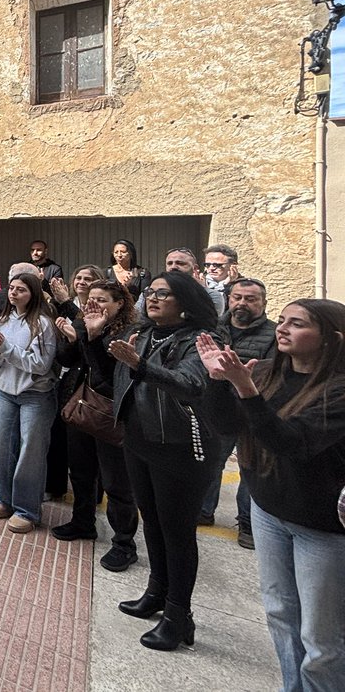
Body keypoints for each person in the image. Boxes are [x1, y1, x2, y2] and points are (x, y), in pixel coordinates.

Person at [196, 299, 345, 692]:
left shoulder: (338, 391)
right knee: (280, 613)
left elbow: (292, 443)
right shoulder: (265, 373)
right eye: (282, 321)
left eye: (297, 324)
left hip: (322, 526)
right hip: (269, 510)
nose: (282, 328)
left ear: (331, 340)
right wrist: (217, 381)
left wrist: (244, 389)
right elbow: (225, 424)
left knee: (322, 637)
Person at [109, 271, 218, 651]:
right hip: (140, 441)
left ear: (186, 303)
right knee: (151, 521)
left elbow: (191, 384)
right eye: (151, 292)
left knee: (177, 532)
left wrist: (140, 365)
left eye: (164, 294)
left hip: (178, 448)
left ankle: (178, 615)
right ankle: (156, 592)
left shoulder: (202, 340)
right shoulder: (143, 332)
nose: (153, 298)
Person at [52, 280, 140, 571]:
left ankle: (124, 543)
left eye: (102, 300)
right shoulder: (85, 322)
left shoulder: (130, 333)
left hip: (112, 414)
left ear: (119, 304)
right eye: (91, 299)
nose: (94, 305)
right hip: (83, 408)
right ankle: (83, 522)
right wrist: (71, 338)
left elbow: (107, 376)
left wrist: (93, 335)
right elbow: (67, 359)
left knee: (117, 483)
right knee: (80, 473)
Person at [199, 277, 275, 547]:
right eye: (238, 298)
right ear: (229, 300)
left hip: (255, 409)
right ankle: (204, 511)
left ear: (263, 303)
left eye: (251, 299)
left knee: (250, 468)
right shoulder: (214, 330)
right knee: (212, 462)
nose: (242, 303)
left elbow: (273, 376)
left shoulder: (273, 334)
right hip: (221, 409)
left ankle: (248, 523)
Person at [0, 272, 58, 533]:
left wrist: (6, 351)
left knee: (31, 453)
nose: (14, 293)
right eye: (12, 288)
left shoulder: (43, 324)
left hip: (35, 396)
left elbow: (40, 365)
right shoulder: (3, 319)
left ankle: (27, 509)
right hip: (4, 392)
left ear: (33, 294)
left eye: (21, 290)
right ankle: (5, 498)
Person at [202, 244, 239, 312]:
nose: (211, 268)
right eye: (207, 265)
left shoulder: (243, 286)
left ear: (233, 265)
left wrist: (228, 286)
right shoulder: (197, 283)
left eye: (217, 265)